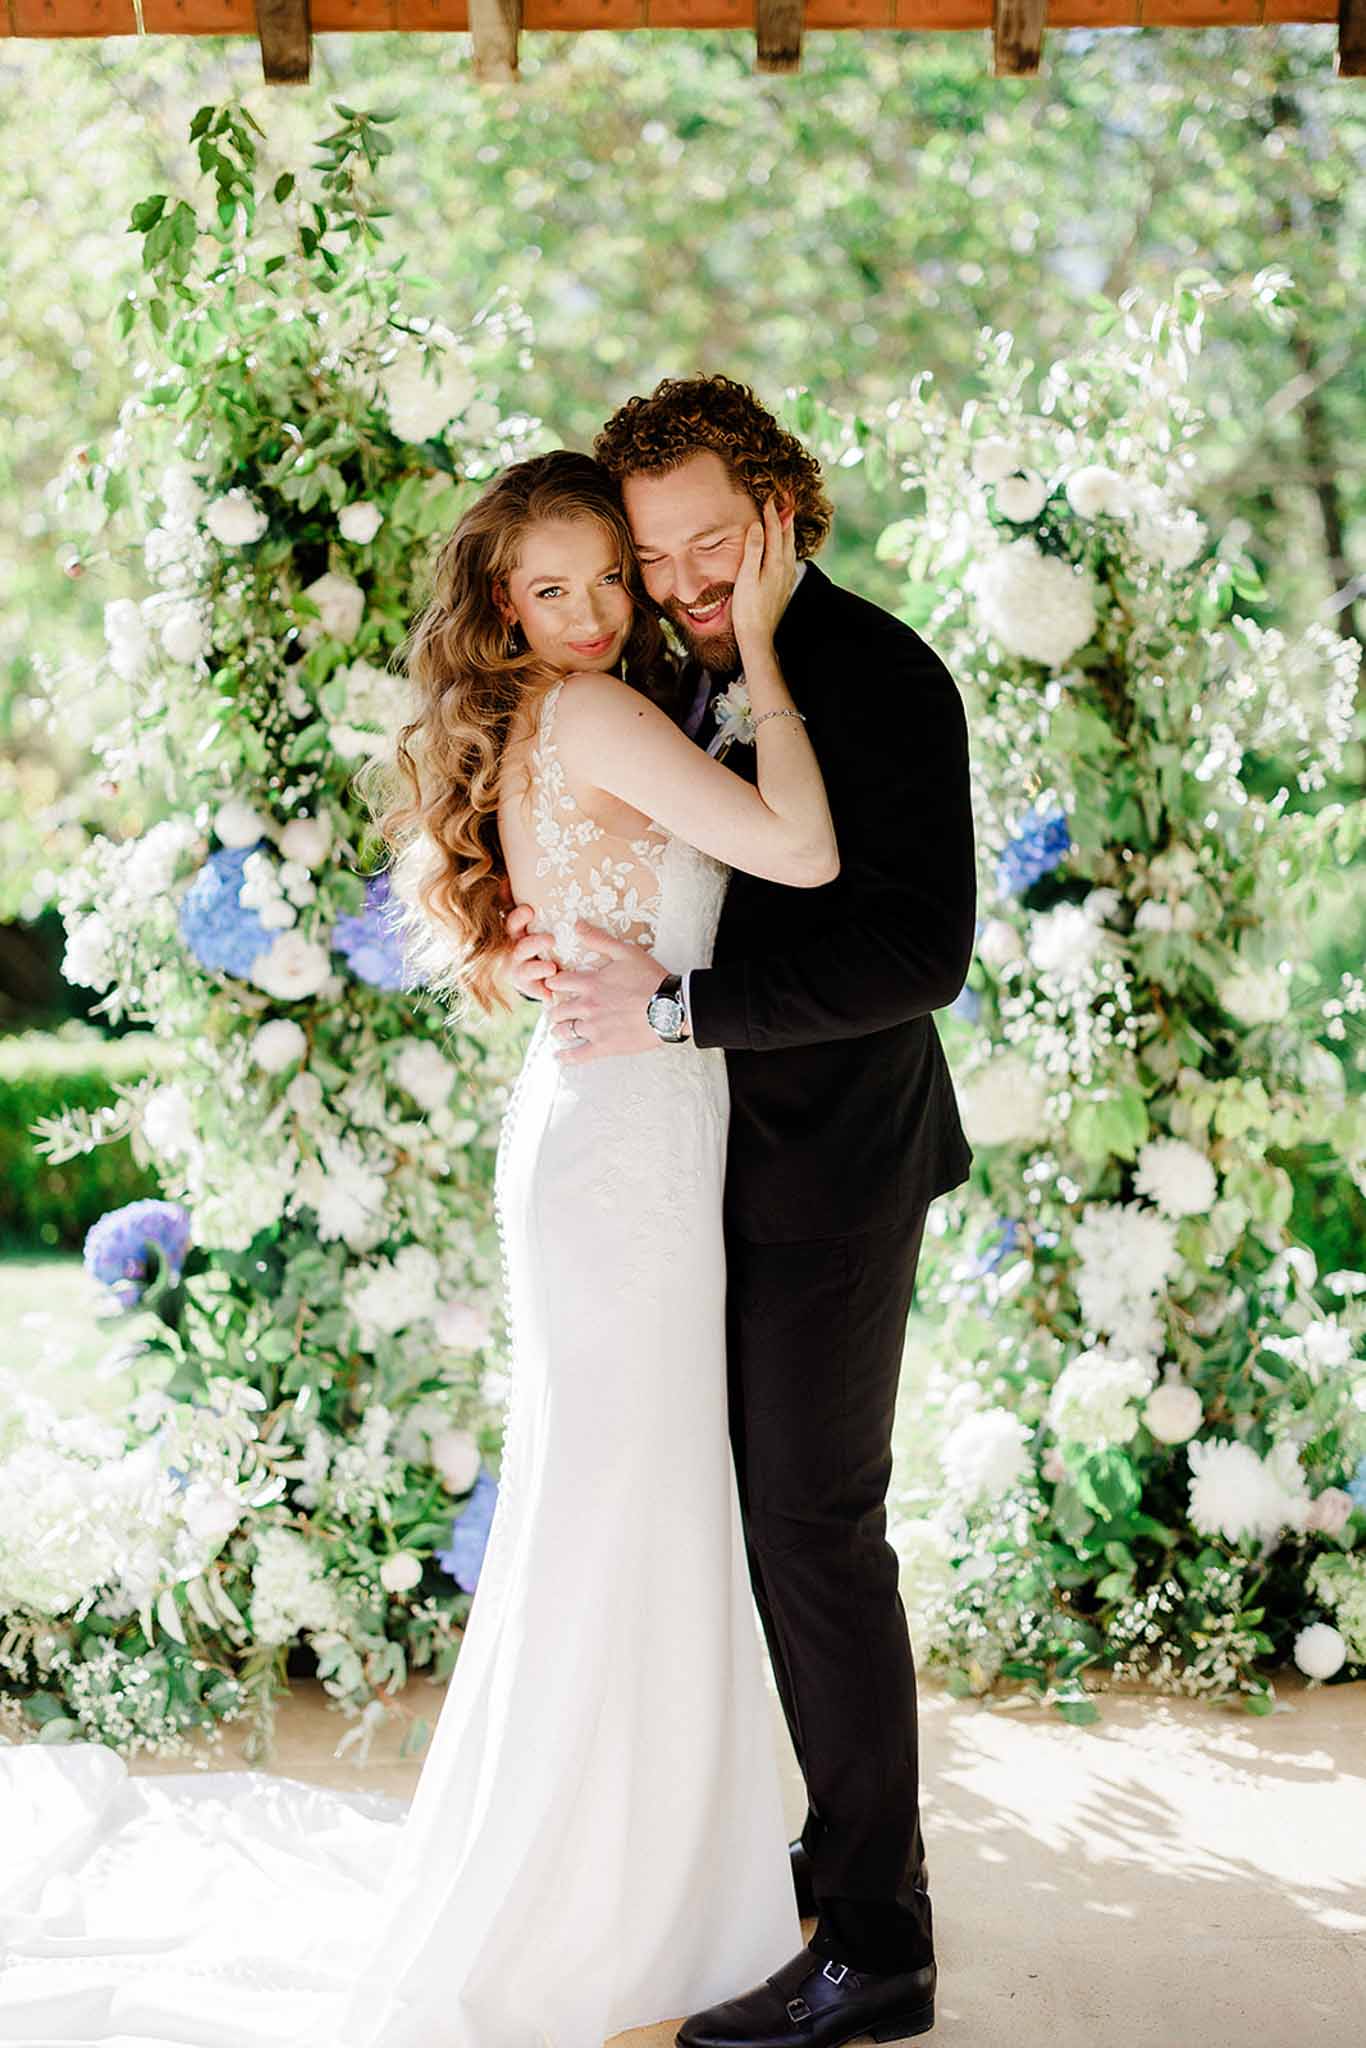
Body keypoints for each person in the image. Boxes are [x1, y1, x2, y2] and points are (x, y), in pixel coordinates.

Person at [0, 445, 872, 2048]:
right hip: (626, 1151)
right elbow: (805, 854)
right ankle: (609, 1907)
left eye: (607, 579)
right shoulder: (594, 711)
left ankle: (612, 1878)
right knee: (629, 1509)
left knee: (611, 1507)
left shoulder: (542, 718)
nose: (595, 610)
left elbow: (573, 918)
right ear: (502, 603)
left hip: (606, 1126)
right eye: (553, 588)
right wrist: (758, 650)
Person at [504, 377, 976, 2048]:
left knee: (814, 1533)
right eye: (652, 555)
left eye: (711, 541)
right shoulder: (660, 671)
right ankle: (824, 1852)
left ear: (779, 507)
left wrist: (675, 1010)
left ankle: (878, 1946)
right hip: (687, 1168)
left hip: (828, 1171)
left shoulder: (874, 672)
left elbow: (918, 954)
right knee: (736, 1522)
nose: (684, 580)